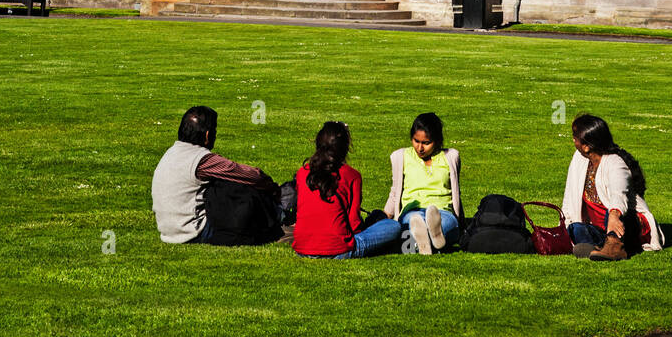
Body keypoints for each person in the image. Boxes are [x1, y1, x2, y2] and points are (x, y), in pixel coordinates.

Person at [151, 105, 282, 245]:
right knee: (237, 188)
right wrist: (274, 189)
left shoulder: (172, 152)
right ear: (207, 135)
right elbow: (251, 175)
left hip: (169, 231)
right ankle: (281, 214)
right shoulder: (201, 159)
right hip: (194, 231)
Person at [561, 113, 664, 261]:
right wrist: (564, 227)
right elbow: (569, 195)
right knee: (575, 228)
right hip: (601, 229)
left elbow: (618, 193)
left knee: (618, 216)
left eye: (575, 137)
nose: (572, 140)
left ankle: (614, 247)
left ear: (586, 146)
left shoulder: (615, 162)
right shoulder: (579, 159)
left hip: (626, 223)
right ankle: (599, 247)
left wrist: (614, 216)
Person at [293, 121, 400, 259]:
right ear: (345, 148)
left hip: (302, 248)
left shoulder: (302, 173)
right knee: (393, 226)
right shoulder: (352, 175)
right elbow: (354, 224)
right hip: (338, 250)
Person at [384, 112, 463, 254]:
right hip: (413, 210)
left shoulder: (450, 157)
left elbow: (456, 192)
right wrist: (385, 217)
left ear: (437, 140)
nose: (420, 148)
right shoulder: (400, 156)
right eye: (416, 141)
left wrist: (462, 221)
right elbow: (395, 192)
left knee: (445, 223)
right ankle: (430, 240)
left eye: (426, 143)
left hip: (442, 211)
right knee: (413, 220)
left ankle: (422, 240)